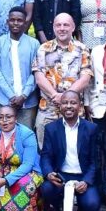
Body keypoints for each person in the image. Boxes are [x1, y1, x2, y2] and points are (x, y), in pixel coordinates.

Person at [32, 13, 93, 146]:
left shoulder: (82, 49)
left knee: (75, 151)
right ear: (53, 28)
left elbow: (85, 78)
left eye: (66, 25)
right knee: (46, 152)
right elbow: (39, 78)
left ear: (73, 27)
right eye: (58, 25)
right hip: (48, 110)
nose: (62, 28)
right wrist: (55, 95)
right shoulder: (43, 49)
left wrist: (65, 98)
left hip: (74, 111)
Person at [39, 90, 100, 211]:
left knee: (92, 204)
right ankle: (58, 206)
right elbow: (45, 156)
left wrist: (87, 181)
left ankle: (82, 208)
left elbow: (96, 160)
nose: (68, 106)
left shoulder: (91, 129)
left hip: (82, 176)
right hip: (61, 176)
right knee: (46, 189)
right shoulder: (51, 128)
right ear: (60, 106)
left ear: (80, 106)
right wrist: (49, 173)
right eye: (65, 103)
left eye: (73, 103)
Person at [0, 7, 41, 131]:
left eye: (19, 20)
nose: (16, 23)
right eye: (12, 20)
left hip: (28, 102)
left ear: (25, 22)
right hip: (4, 100)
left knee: (25, 135)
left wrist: (24, 95)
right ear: (7, 22)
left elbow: (36, 72)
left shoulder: (34, 44)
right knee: (3, 137)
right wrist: (11, 95)